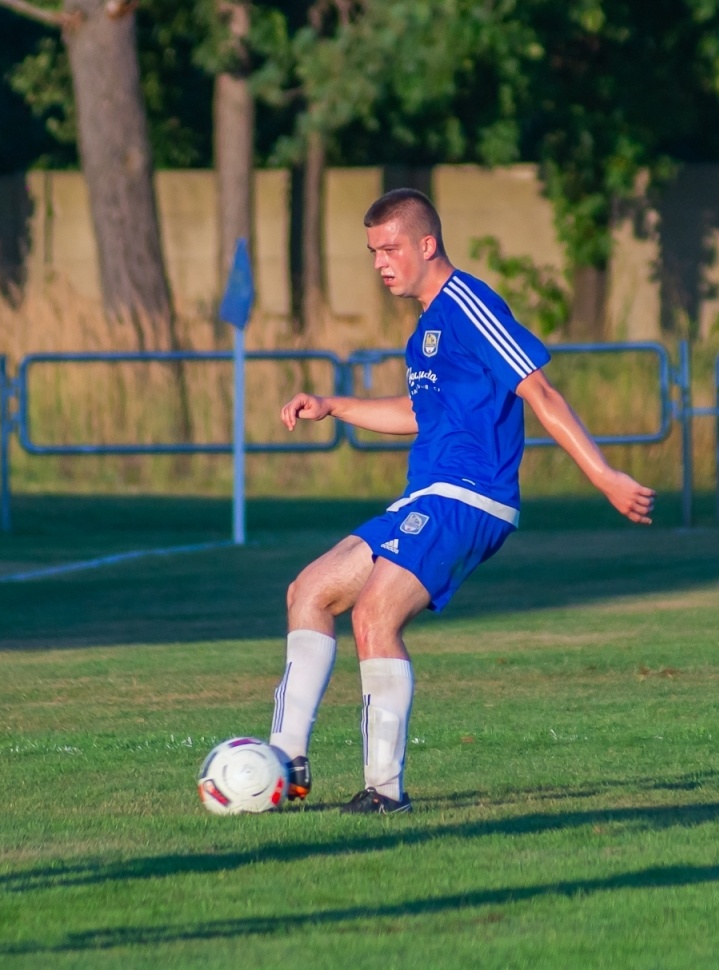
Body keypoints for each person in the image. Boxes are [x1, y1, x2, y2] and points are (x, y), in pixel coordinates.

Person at [269, 188, 655, 813]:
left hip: (471, 496)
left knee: (373, 616)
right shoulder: (425, 329)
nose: (380, 263)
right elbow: (421, 415)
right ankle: (284, 765)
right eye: (372, 252)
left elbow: (542, 393)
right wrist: (335, 404)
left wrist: (604, 474)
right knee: (308, 591)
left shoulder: (470, 304)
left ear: (427, 244)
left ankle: (384, 792)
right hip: (428, 492)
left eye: (390, 248)